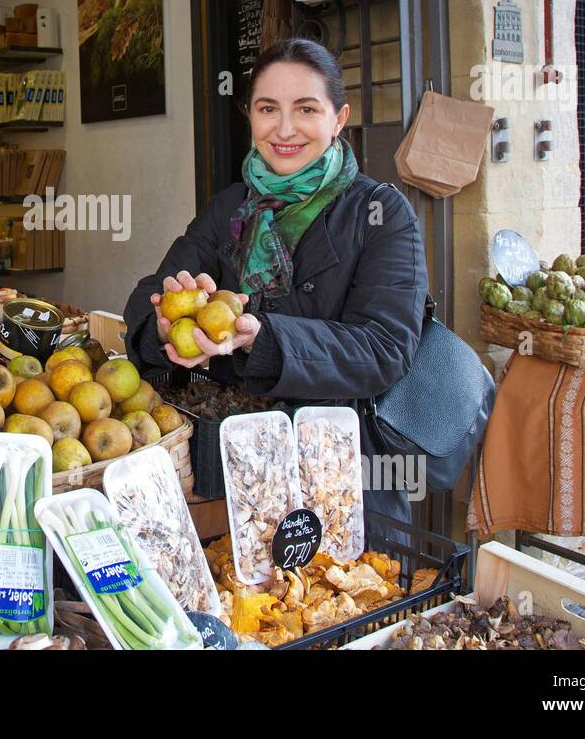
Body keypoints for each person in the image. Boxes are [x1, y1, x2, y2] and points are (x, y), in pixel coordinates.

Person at [123, 38, 428, 522]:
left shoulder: (380, 214)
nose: (285, 129)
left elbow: (384, 348)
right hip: (233, 472)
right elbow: (150, 295)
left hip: (338, 474)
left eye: (306, 109)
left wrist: (263, 338)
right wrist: (162, 323)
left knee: (332, 592)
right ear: (251, 116)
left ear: (339, 119)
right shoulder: (229, 207)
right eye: (268, 108)